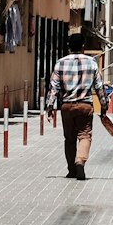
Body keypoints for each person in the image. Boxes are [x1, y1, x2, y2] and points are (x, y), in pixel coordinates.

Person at [46, 32, 107, 180]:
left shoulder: (60, 63)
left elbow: (54, 87)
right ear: (83, 47)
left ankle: (71, 170)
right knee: (85, 135)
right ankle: (80, 161)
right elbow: (99, 86)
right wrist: (103, 105)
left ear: (69, 46)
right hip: (85, 106)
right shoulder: (92, 63)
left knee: (69, 138)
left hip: (67, 106)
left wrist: (49, 106)